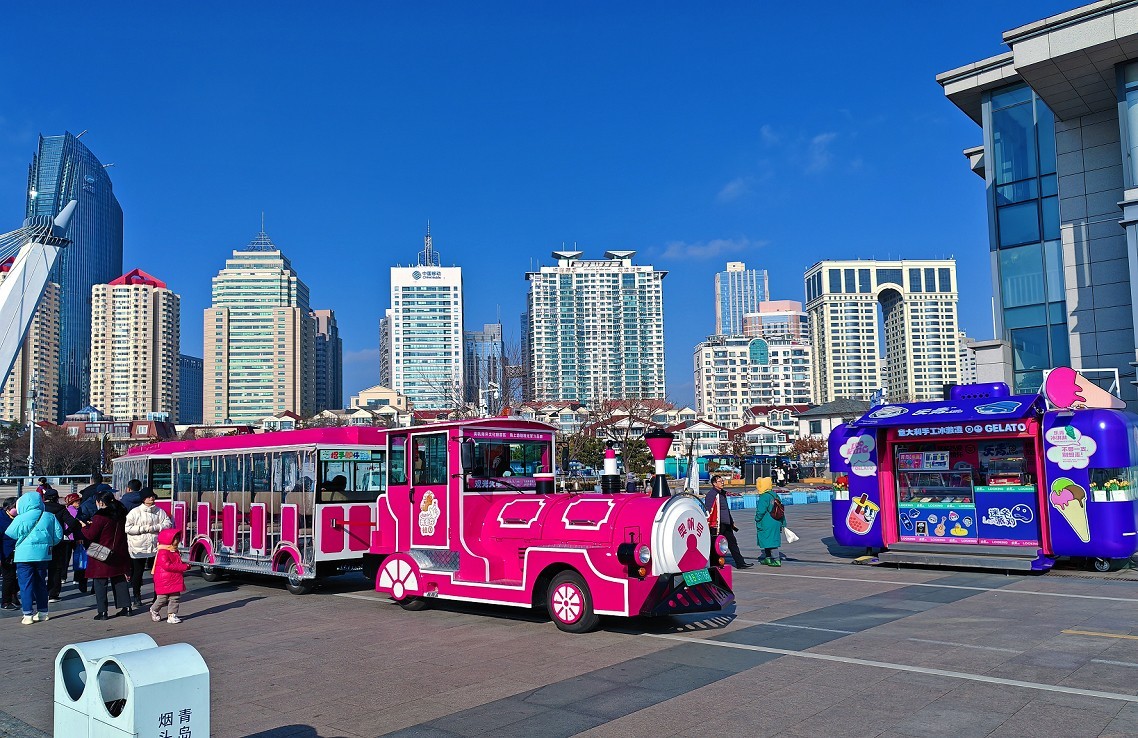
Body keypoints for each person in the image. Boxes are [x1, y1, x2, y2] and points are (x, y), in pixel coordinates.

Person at [5, 490, 64, 624]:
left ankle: (27, 615)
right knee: (41, 583)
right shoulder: (49, 516)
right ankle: (43, 612)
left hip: (23, 556)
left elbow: (10, 533)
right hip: (43, 555)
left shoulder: (21, 517)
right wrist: (48, 544)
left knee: (25, 585)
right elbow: (58, 536)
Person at [82, 491, 132, 620]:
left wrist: (83, 527)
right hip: (119, 551)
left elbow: (91, 535)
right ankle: (126, 607)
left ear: (101, 502)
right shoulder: (121, 514)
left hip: (102, 552)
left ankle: (102, 611)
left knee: (100, 582)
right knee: (119, 579)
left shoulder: (100, 517)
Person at [124, 489, 172, 608]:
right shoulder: (134, 512)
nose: (152, 498)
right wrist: (143, 529)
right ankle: (136, 596)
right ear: (143, 499)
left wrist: (156, 527)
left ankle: (158, 596)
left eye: (153, 496)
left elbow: (168, 524)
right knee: (137, 573)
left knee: (157, 573)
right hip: (138, 547)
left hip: (155, 547)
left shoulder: (159, 511)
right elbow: (127, 528)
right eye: (149, 497)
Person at [42, 489, 81, 602]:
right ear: (56, 498)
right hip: (58, 542)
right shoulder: (61, 509)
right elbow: (73, 523)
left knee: (40, 568)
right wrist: (66, 533)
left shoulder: (41, 509)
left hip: (42, 541)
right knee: (56, 568)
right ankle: (53, 594)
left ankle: (38, 593)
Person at [704, 475, 750, 569]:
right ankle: (715, 564)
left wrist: (731, 521)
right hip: (718, 524)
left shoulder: (722, 494)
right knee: (716, 545)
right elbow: (709, 511)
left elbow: (726, 510)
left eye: (722, 481)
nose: (722, 482)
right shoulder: (711, 494)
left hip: (726, 523)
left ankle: (740, 563)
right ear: (714, 483)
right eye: (719, 481)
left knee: (733, 543)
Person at [150, 528, 190, 624]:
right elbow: (167, 565)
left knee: (175, 597)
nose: (177, 541)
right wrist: (183, 567)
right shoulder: (163, 552)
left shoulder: (174, 551)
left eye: (178, 538)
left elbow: (175, 563)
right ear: (168, 540)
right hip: (164, 580)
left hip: (174, 578)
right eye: (175, 538)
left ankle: (172, 615)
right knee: (162, 598)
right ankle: (154, 610)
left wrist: (183, 565)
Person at [755, 486, 787, 567]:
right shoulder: (775, 495)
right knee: (770, 539)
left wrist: (757, 519)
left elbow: (761, 511)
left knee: (769, 540)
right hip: (776, 521)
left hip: (767, 521)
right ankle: (768, 557)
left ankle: (776, 559)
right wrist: (783, 522)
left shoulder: (764, 496)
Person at [65, 493, 88, 594]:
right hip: (75, 537)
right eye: (76, 501)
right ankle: (77, 578)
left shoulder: (67, 510)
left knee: (67, 558)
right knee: (78, 558)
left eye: (79, 501)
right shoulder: (74, 511)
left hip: (67, 537)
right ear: (71, 502)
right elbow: (76, 525)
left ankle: (63, 577)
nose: (78, 503)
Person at [0, 498, 17, 610]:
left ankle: (12, 596)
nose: (17, 509)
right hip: (4, 553)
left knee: (12, 577)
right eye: (15, 507)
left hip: (14, 552)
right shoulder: (2, 519)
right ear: (8, 508)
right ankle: (6, 602)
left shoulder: (17, 518)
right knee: (8, 577)